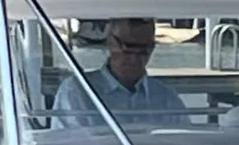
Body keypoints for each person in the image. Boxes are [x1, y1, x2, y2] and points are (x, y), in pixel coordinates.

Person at [52, 17, 187, 126]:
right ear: (111, 42)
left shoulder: (166, 96)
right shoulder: (77, 91)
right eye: (127, 48)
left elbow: (184, 140)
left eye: (143, 50)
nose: (134, 58)